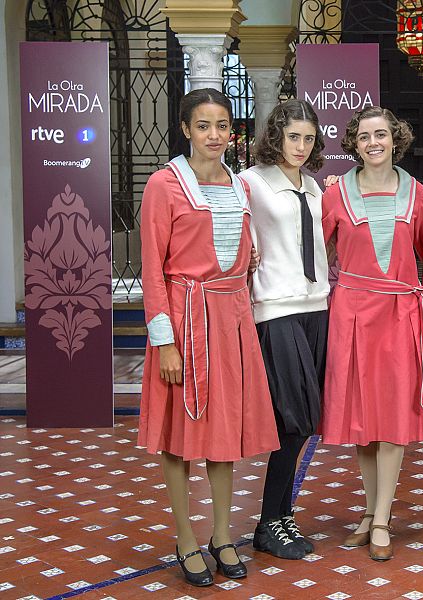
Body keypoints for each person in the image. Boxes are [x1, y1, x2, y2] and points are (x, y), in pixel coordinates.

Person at [138, 88, 279, 586]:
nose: (215, 136)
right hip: (185, 318)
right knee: (180, 439)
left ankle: (222, 535)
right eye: (204, 126)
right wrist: (166, 342)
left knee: (226, 437)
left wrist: (247, 261)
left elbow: (240, 248)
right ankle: (185, 537)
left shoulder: (240, 185)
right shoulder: (164, 184)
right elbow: (152, 271)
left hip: (231, 317)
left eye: (222, 126)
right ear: (185, 129)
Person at [320, 106, 423, 562]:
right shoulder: (335, 194)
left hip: (400, 314)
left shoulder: (418, 194)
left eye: (381, 134)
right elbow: (313, 250)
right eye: (365, 135)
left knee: (391, 422)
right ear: (353, 143)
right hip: (351, 314)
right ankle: (370, 511)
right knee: (363, 425)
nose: (373, 143)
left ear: (395, 139)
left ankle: (383, 518)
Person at [237, 99, 329, 560]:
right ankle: (269, 522)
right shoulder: (251, 182)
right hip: (275, 309)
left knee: (308, 420)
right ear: (276, 136)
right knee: (292, 420)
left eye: (308, 138)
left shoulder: (313, 186)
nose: (300, 145)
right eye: (293, 136)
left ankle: (283, 516)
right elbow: (236, 232)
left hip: (318, 306)